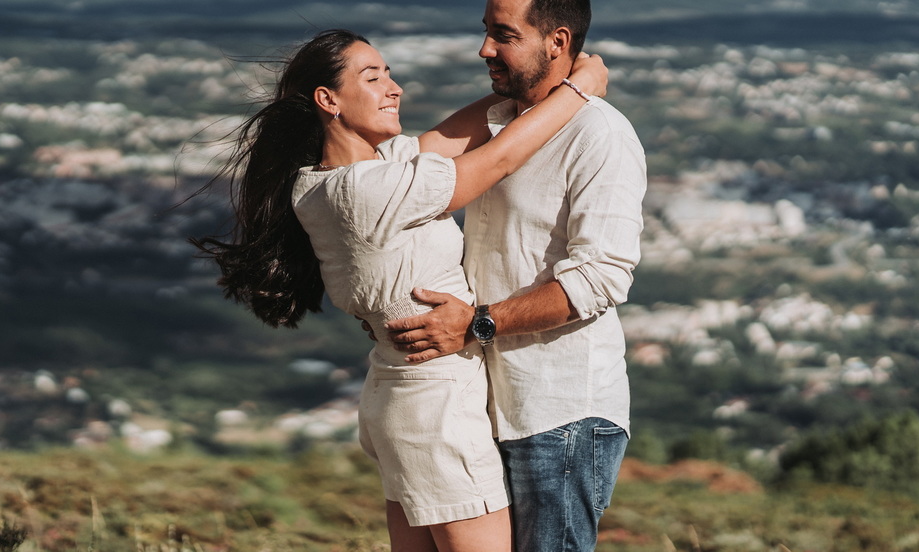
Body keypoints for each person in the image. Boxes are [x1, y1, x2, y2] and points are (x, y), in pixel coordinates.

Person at [193, 27, 608, 552]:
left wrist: (528, 85)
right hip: (436, 408)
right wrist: (578, 89)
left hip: (403, 402)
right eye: (373, 78)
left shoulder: (326, 180)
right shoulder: (366, 190)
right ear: (328, 100)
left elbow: (451, 135)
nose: (395, 88)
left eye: (389, 73)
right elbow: (499, 158)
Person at [386, 0, 647, 552]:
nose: (484, 49)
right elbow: (405, 172)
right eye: (486, 31)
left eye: (504, 35)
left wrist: (476, 325)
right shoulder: (501, 122)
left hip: (561, 413)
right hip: (489, 404)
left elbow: (601, 278)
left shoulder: (600, 135)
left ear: (558, 41)